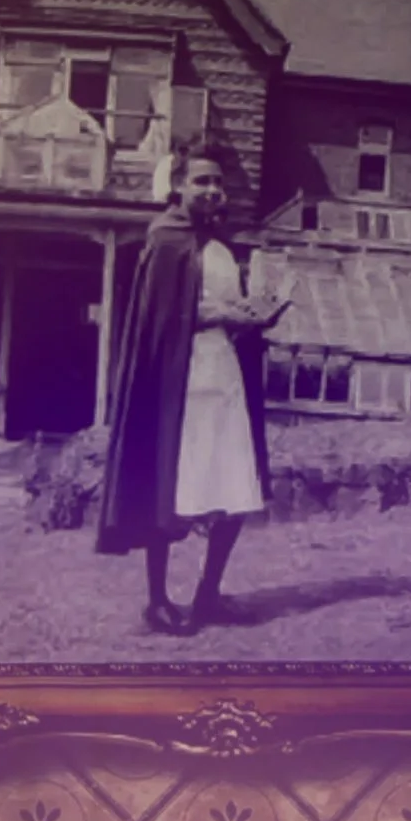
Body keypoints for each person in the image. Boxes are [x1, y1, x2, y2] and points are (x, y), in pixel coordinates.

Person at [95, 145, 284, 634]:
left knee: (235, 488)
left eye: (218, 183)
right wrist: (220, 314)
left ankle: (208, 595)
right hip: (182, 380)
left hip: (224, 377)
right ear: (178, 186)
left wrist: (252, 316)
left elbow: (220, 306)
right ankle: (157, 602)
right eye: (201, 182)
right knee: (175, 488)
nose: (212, 191)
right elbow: (160, 317)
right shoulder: (166, 239)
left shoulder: (218, 244)